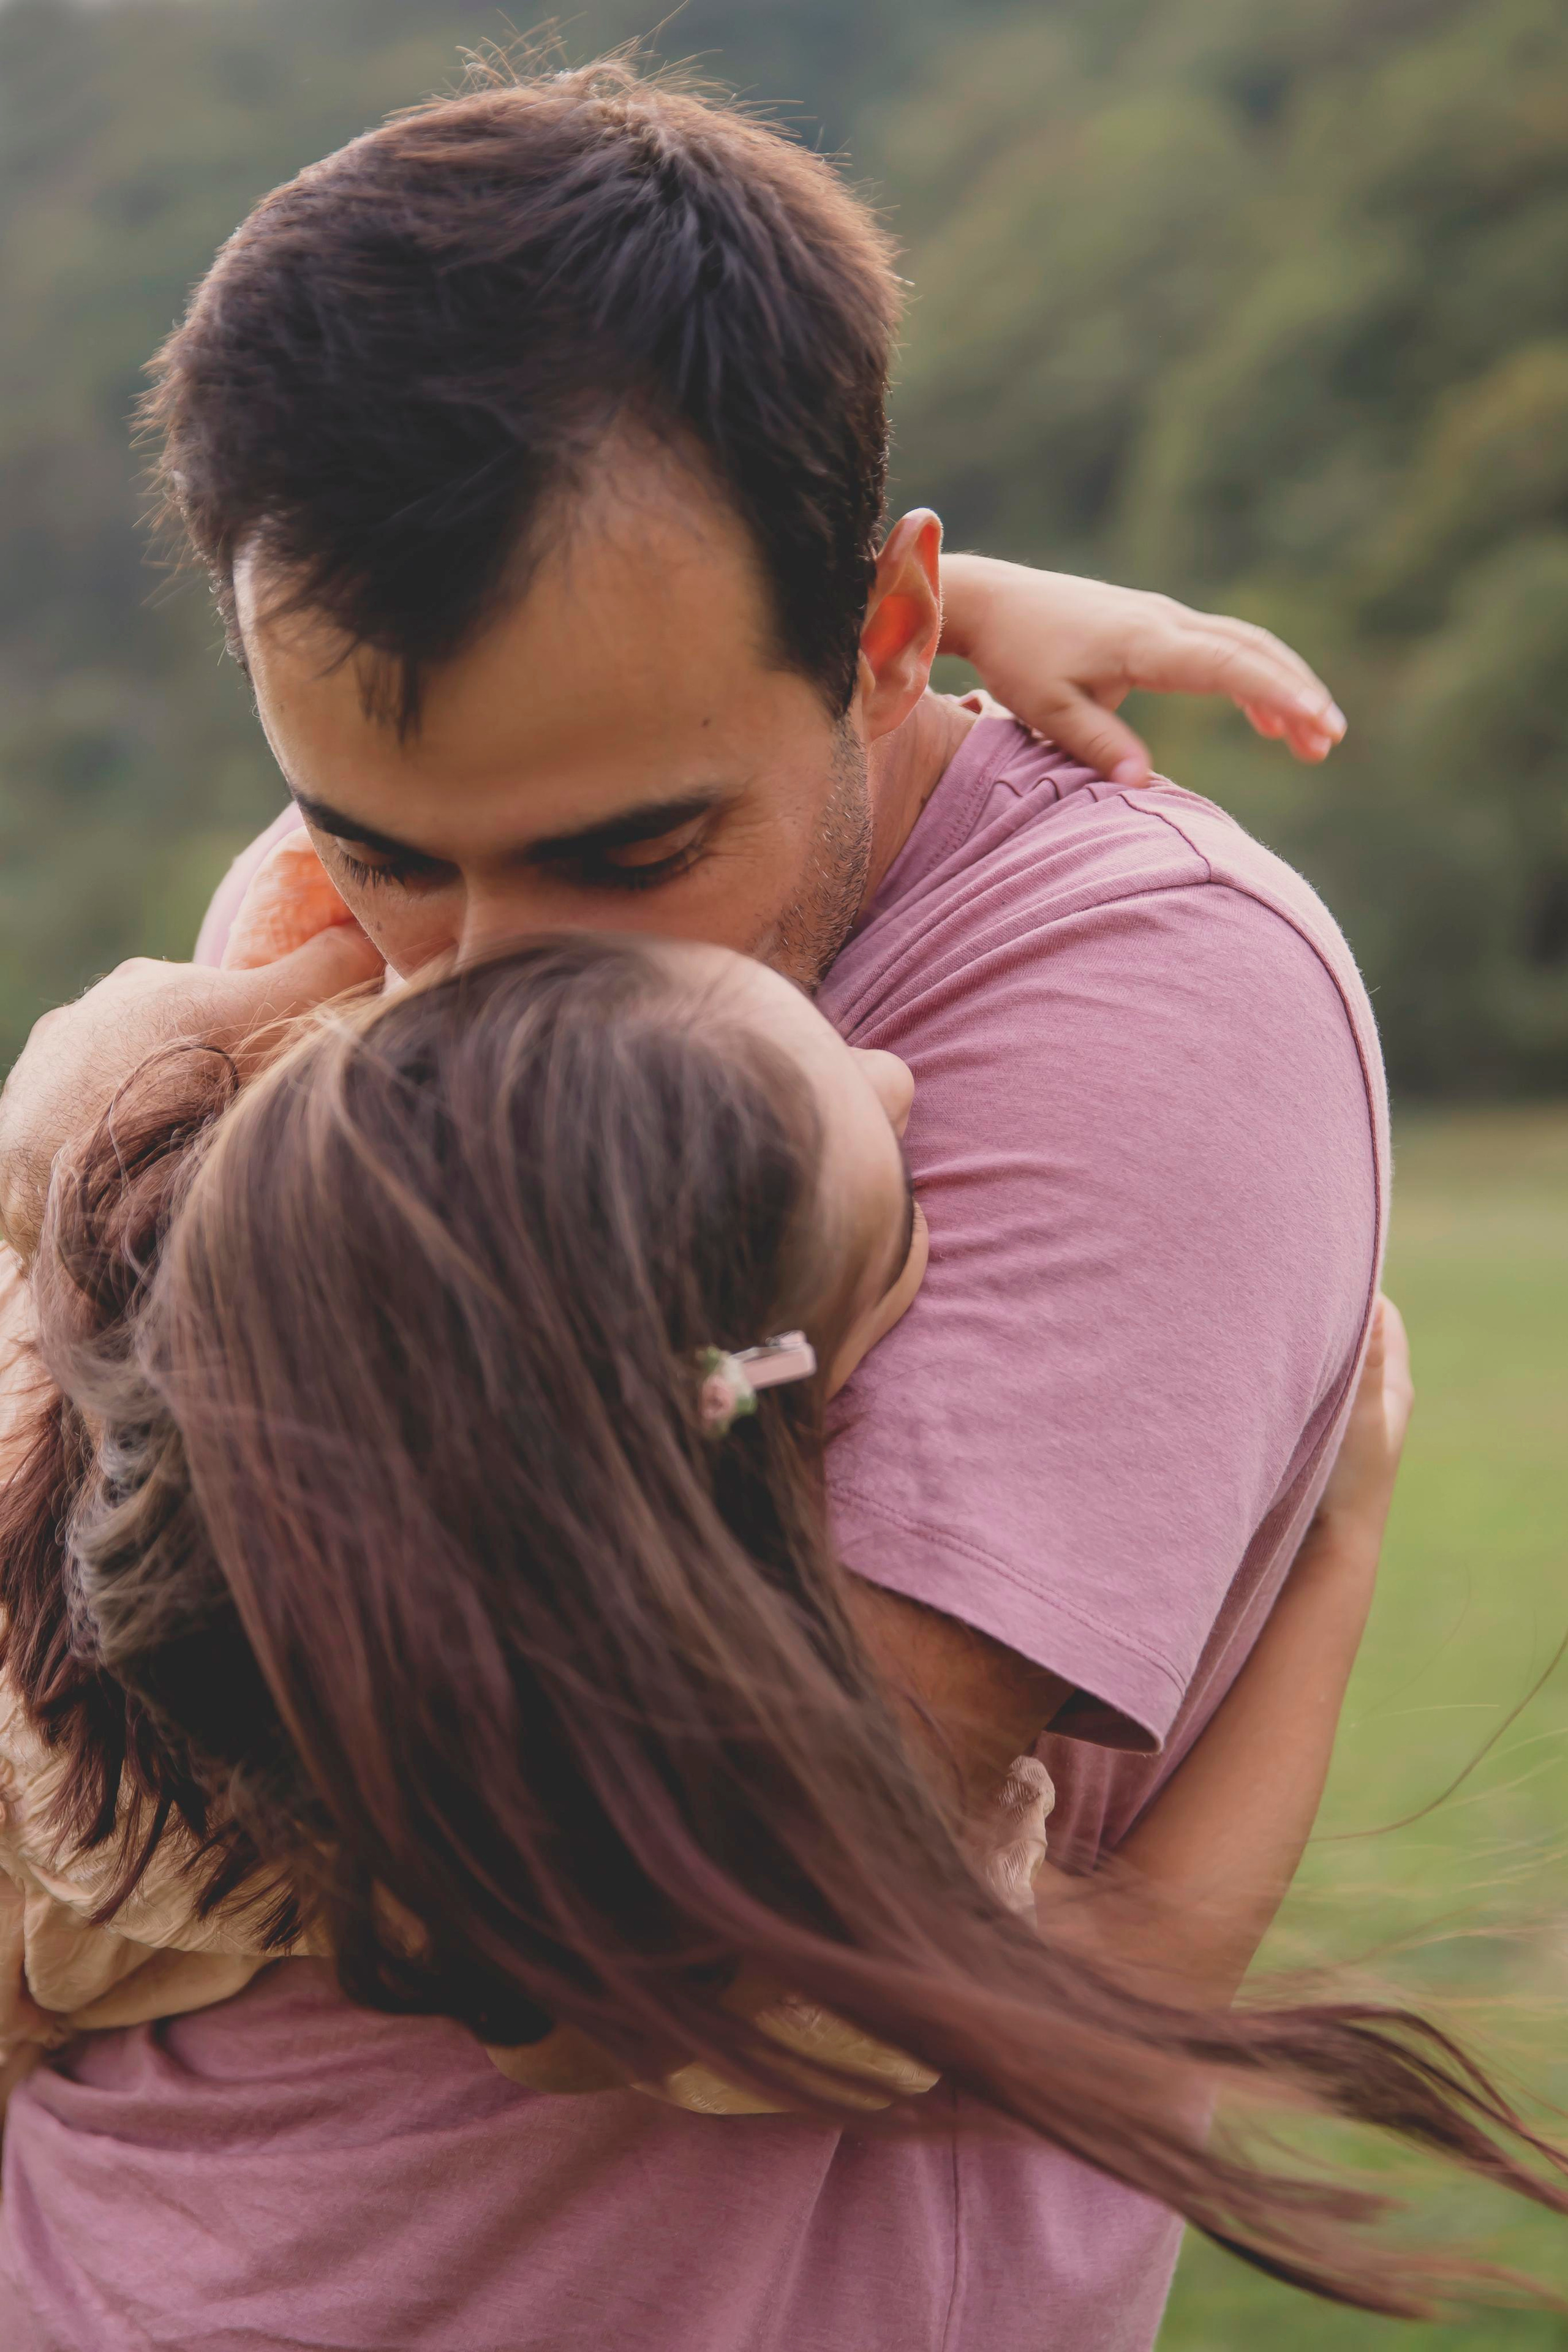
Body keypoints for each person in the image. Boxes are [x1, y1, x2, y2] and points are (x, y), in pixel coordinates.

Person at [0, 55, 1390, 2352]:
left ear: (873, 633)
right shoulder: (322, 946)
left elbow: (701, 1930)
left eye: (630, 854)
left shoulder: (1144, 992)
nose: (477, 978)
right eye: (380, 844)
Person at [9, 930, 1559, 2330]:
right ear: (758, 1391)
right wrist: (1334, 1556)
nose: (894, 1076)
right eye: (884, 1178)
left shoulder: (73, 1374)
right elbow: (1127, 1988)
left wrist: (945, 606)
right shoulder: (673, 1844)